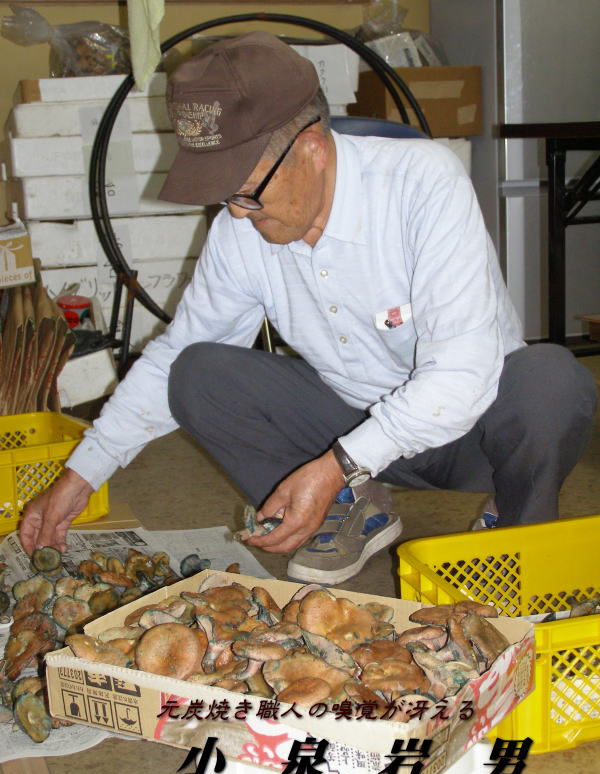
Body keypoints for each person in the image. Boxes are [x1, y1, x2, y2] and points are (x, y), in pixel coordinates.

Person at [20, 32, 597, 584]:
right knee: (195, 373)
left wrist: (335, 464)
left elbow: (463, 379)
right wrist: (81, 474)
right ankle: (352, 508)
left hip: (473, 432)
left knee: (550, 382)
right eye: (226, 196)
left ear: (313, 148)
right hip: (351, 429)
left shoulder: (423, 184)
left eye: (247, 191)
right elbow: (173, 357)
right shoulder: (239, 227)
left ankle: (514, 530)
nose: (239, 213)